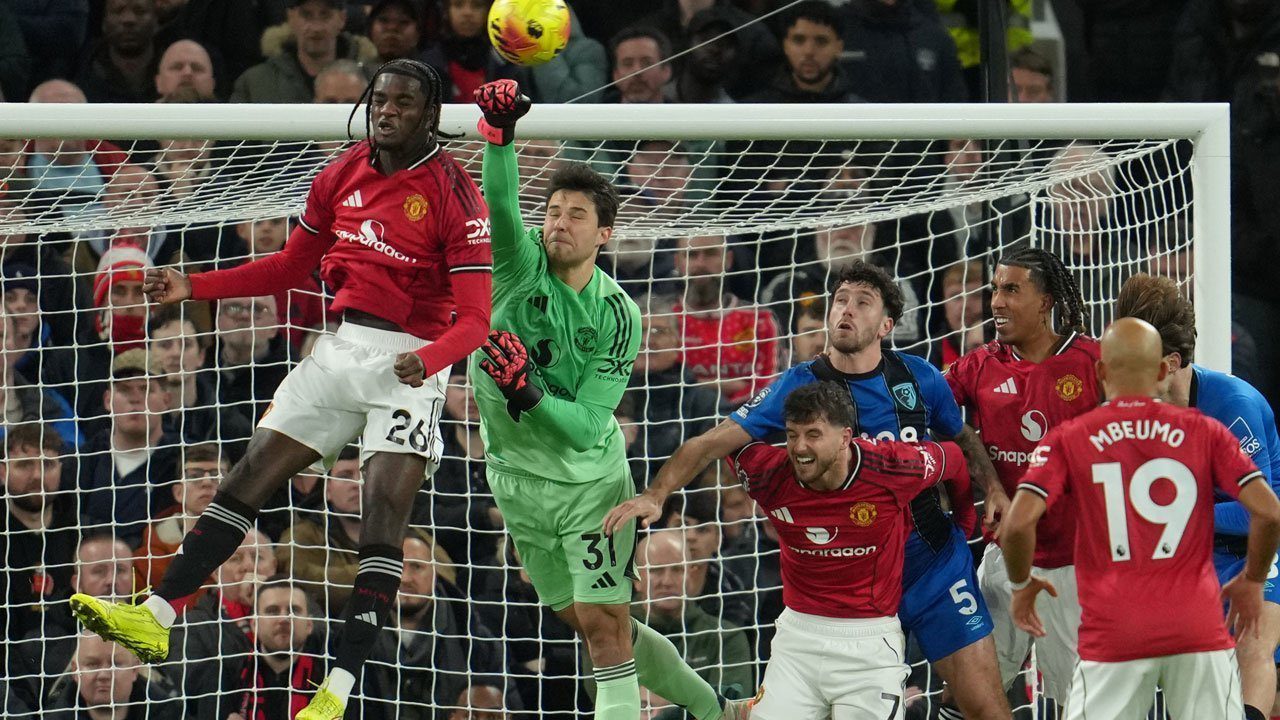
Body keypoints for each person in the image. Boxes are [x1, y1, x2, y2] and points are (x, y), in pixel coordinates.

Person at [69, 58, 493, 720]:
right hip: (341, 345)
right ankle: (156, 615)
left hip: (410, 360)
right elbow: (293, 264)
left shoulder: (456, 195)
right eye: (380, 100)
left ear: (430, 114)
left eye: (404, 103)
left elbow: (476, 321)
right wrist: (195, 284)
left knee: (383, 522)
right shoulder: (341, 173)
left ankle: (337, 690)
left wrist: (429, 359)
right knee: (248, 474)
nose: (387, 112)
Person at [607, 259, 1009, 720]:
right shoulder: (798, 385)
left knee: (984, 706)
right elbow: (712, 443)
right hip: (843, 586)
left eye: (862, 303)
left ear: (886, 324)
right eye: (841, 300)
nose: (846, 310)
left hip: (929, 564)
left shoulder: (919, 377)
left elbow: (960, 442)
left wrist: (988, 496)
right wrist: (656, 494)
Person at [472, 78, 746, 720]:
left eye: (576, 215)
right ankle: (718, 710)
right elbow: (501, 206)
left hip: (589, 482)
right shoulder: (517, 266)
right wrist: (499, 138)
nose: (558, 223)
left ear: (605, 234)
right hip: (514, 477)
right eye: (554, 211)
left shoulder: (620, 314)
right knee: (592, 620)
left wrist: (528, 392)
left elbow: (585, 425)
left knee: (604, 627)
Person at [1001, 317, 1280, 719]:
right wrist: (1253, 579)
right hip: (1196, 627)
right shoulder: (1205, 431)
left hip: (1115, 627)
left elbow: (1016, 524)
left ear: (1100, 371)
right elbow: (1268, 511)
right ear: (1164, 370)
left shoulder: (1069, 437)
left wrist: (1021, 583)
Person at [722, 382, 976, 718]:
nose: (799, 447)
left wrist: (964, 525)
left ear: (845, 438)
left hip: (869, 645)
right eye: (792, 435)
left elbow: (954, 458)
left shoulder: (892, 466)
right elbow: (728, 440)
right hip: (796, 639)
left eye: (813, 434)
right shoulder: (768, 472)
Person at [1115, 273, 1280, 720]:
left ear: (1170, 362)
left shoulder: (1232, 407)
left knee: (1253, 646)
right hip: (1190, 549)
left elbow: (1258, 515)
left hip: (1259, 545)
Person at [946, 247, 1099, 708]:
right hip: (1003, 563)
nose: (996, 301)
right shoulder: (978, 366)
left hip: (1073, 568)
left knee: (1083, 706)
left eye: (1011, 290)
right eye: (995, 289)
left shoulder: (1094, 363)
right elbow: (925, 410)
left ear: (1046, 301)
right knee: (968, 696)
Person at [231, 0, 370, 103]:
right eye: (306, 15)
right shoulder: (255, 83)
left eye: (325, 15)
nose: (316, 27)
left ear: (342, 18)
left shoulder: (372, 80)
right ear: (291, 17)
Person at [750, 2, 862, 104]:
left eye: (821, 41)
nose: (809, 51)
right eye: (799, 40)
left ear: (838, 48)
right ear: (785, 45)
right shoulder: (755, 110)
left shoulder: (861, 112)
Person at [75, 0, 163, 104]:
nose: (129, 19)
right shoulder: (81, 68)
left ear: (156, 21)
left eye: (140, 11)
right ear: (104, 22)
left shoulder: (174, 66)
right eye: (118, 11)